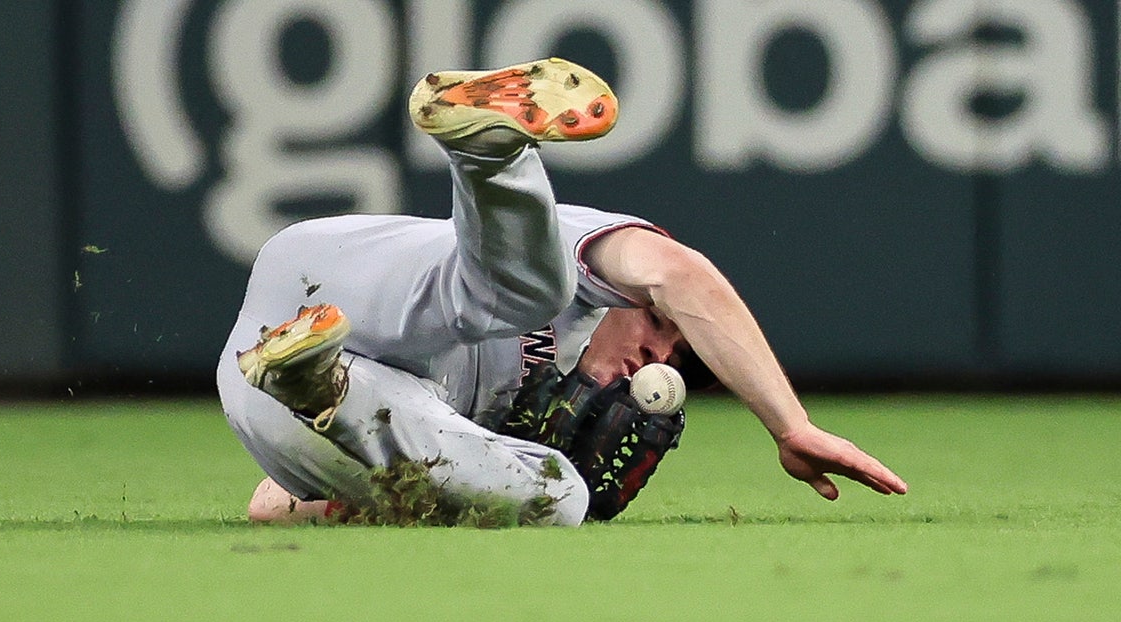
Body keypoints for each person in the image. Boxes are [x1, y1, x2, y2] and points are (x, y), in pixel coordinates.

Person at [217, 57, 908, 526]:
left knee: (557, 497)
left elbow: (270, 502)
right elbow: (681, 274)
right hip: (347, 278)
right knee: (514, 295)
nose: (660, 357)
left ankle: (319, 382)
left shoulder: (535, 414)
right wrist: (790, 427)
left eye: (680, 360)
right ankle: (490, 148)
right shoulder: (596, 263)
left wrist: (448, 478)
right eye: (665, 328)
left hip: (269, 389)